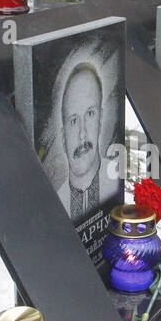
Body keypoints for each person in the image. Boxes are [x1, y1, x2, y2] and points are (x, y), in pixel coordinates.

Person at [56, 61, 114, 218]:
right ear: (63, 137)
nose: (82, 133)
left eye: (90, 114)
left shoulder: (117, 180)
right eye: (73, 120)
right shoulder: (54, 204)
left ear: (100, 119)